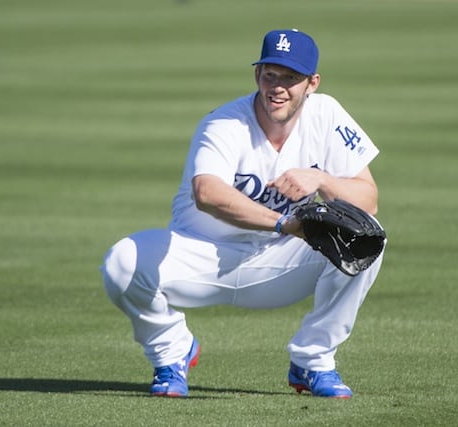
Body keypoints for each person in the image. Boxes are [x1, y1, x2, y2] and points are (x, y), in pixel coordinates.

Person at [100, 29, 384, 399]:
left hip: (281, 264)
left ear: (312, 83)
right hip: (203, 257)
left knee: (368, 236)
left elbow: (369, 198)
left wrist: (322, 178)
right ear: (257, 75)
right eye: (270, 75)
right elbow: (207, 193)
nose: (278, 87)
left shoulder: (327, 114)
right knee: (121, 263)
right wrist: (284, 223)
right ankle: (172, 352)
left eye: (291, 78)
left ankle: (313, 360)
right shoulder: (224, 123)